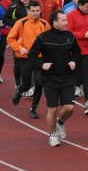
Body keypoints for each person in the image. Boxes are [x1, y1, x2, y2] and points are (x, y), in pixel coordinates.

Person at [28, 10, 81, 146]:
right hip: (50, 78)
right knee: (52, 109)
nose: (66, 22)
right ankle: (52, 135)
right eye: (63, 20)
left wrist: (74, 61)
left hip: (67, 76)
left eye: (66, 20)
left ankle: (60, 122)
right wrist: (42, 64)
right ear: (55, 22)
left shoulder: (70, 36)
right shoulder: (43, 38)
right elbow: (32, 55)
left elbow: (77, 52)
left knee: (69, 107)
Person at [8, 1, 50, 118]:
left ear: (40, 10)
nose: (35, 13)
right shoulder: (21, 23)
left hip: (39, 58)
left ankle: (33, 109)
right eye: (33, 11)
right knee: (26, 85)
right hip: (25, 58)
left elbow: (48, 40)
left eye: (37, 11)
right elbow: (10, 38)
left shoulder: (45, 24)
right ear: (29, 11)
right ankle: (19, 91)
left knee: (39, 82)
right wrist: (19, 48)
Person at [67, 0, 88, 114]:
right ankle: (69, 101)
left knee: (86, 77)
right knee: (73, 77)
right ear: (79, 4)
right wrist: (83, 35)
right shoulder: (71, 15)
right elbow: (68, 32)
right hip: (73, 51)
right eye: (86, 6)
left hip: (86, 51)